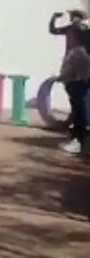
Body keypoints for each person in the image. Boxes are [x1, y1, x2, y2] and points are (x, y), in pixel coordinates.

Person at [50, 10, 89, 152]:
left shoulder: (79, 52)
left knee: (79, 109)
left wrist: (64, 77)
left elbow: (79, 71)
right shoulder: (76, 49)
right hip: (76, 80)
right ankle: (77, 139)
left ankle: (78, 141)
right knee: (77, 109)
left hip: (78, 81)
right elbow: (53, 30)